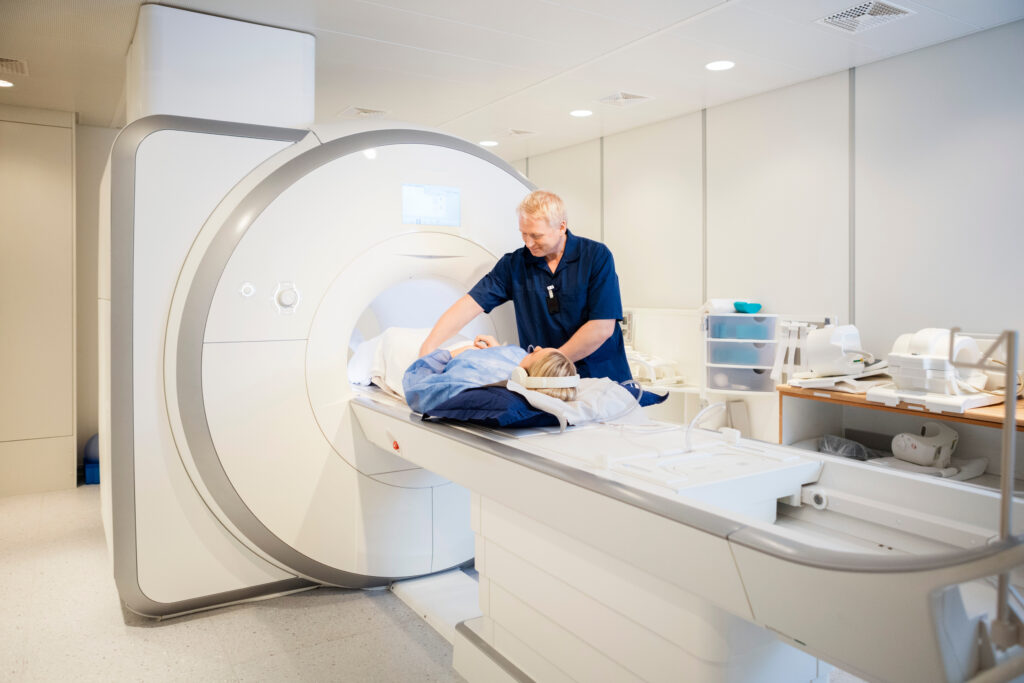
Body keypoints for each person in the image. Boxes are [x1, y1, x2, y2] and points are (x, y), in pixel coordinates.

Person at [417, 190, 631, 382]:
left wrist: (546, 363)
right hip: (542, 383)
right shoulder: (515, 264)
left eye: (536, 235)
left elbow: (601, 327)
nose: (528, 243)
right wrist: (428, 349)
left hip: (602, 379)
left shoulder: (595, 257)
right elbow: (470, 305)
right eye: (523, 234)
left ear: (561, 227)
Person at [403, 334, 578, 414]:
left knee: (399, 339)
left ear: (521, 376)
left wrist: (452, 354)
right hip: (478, 344)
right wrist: (498, 350)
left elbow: (417, 390)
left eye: (533, 353)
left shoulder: (472, 380)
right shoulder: (520, 360)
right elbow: (513, 356)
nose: (535, 348)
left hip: (447, 350)